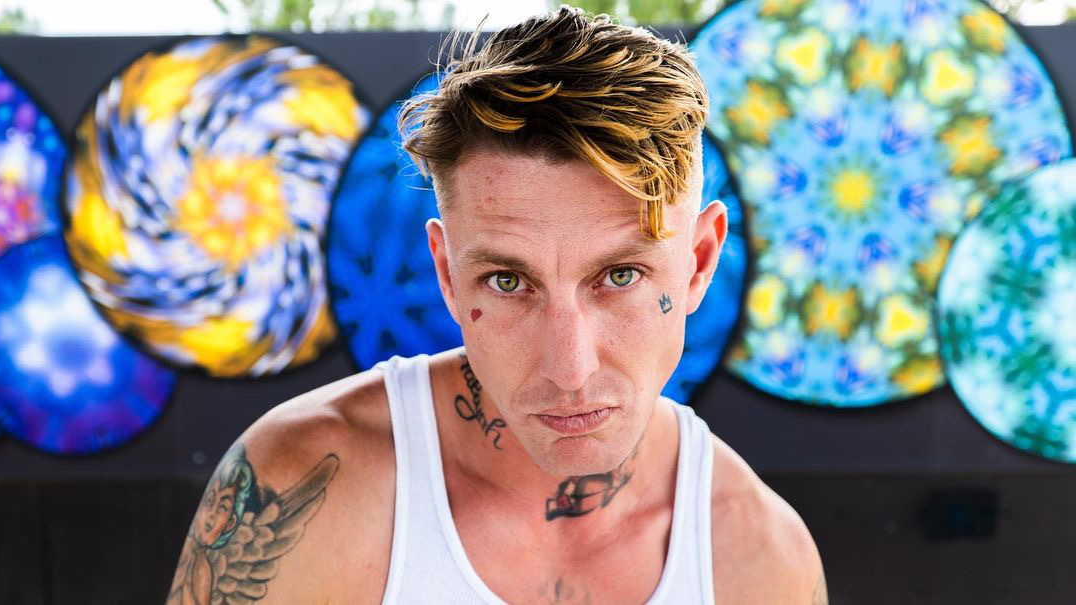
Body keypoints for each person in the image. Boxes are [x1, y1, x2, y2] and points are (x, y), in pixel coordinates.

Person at [168, 6, 826, 604]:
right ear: (448, 275)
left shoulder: (759, 560)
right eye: (509, 282)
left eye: (620, 275)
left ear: (700, 261)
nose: (568, 369)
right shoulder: (306, 490)